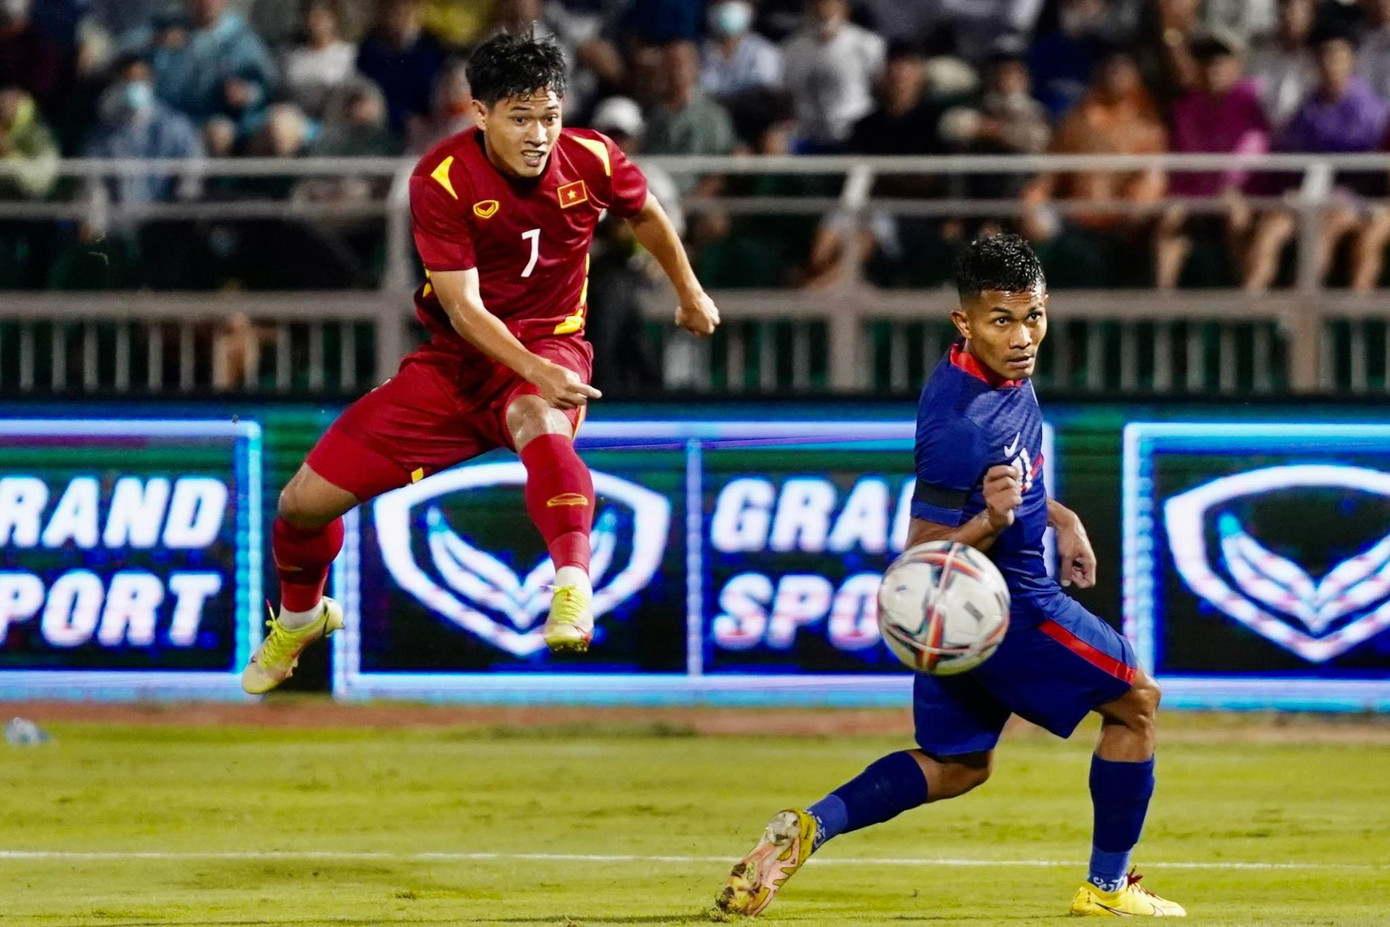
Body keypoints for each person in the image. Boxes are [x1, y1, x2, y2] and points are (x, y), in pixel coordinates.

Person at [715, 234, 1185, 920]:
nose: (1023, 336)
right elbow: (921, 556)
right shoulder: (959, 423)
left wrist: (1058, 516)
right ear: (963, 321)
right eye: (1002, 319)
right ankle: (1108, 887)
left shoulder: (997, 375)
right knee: (1137, 702)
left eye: (1034, 315)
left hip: (969, 619)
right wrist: (993, 524)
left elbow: (1007, 480)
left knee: (958, 763)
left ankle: (811, 828)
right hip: (1014, 608)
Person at [241, 31, 720, 694]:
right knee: (300, 505)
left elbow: (647, 214)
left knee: (535, 417)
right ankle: (302, 617)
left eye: (549, 116)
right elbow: (463, 309)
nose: (539, 134)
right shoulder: (440, 179)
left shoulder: (593, 158)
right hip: (455, 367)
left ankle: (574, 582)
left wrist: (689, 290)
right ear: (480, 112)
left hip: (551, 343)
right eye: (521, 118)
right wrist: (535, 366)